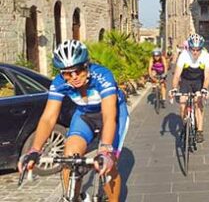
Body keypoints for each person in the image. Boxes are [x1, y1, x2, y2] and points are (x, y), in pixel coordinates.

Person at [18, 40, 129, 201]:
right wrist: (35, 150)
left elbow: (109, 116)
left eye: (78, 70)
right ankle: (73, 196)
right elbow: (48, 118)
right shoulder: (59, 83)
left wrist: (105, 150)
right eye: (68, 73)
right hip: (84, 116)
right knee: (69, 159)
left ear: (87, 65)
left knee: (108, 167)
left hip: (114, 115)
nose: (75, 77)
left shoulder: (103, 76)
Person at [170, 34, 209, 143]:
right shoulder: (183, 55)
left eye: (198, 50)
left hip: (199, 80)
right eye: (192, 49)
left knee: (198, 103)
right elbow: (176, 75)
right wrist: (174, 88)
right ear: (189, 48)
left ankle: (200, 131)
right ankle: (185, 122)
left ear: (201, 49)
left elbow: (207, 77)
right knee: (182, 101)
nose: (195, 52)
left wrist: (204, 89)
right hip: (186, 80)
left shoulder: (206, 57)